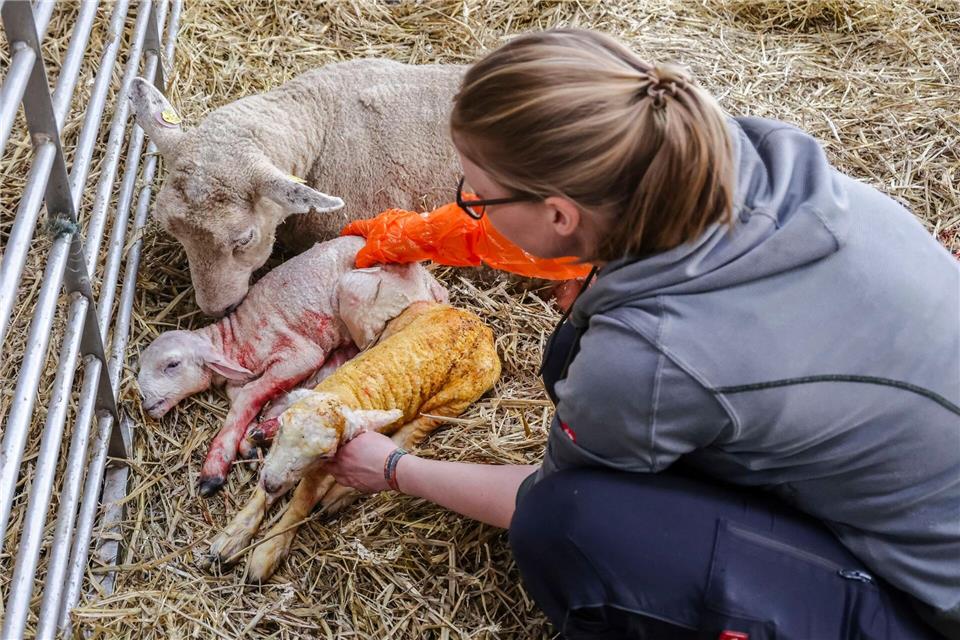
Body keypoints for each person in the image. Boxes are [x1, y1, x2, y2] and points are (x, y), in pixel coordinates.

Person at [324, 29, 960, 639]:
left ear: (559, 214)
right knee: (573, 351)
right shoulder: (764, 160)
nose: (469, 202)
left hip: (929, 605)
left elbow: (540, 494)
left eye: (480, 198)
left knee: (570, 521)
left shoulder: (651, 354)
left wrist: (396, 468)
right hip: (915, 481)